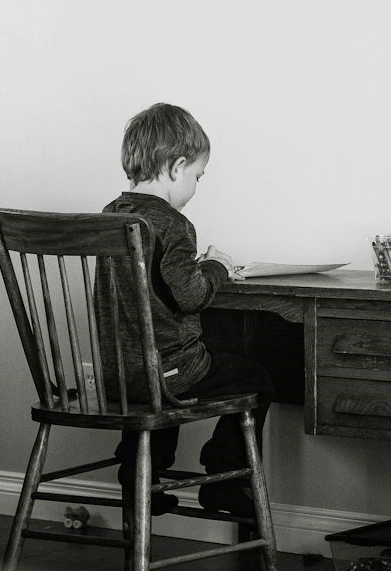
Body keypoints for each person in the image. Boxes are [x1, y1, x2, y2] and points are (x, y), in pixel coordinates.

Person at [100, 101, 272, 519]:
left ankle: (139, 480)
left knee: (158, 394)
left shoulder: (109, 216)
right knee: (258, 378)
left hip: (119, 376)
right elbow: (191, 296)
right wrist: (216, 267)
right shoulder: (173, 224)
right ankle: (226, 480)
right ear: (177, 167)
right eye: (197, 175)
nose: (195, 185)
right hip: (169, 373)